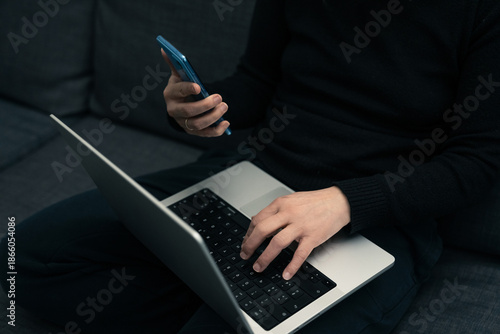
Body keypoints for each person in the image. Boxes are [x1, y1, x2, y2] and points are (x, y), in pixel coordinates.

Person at [2, 0, 500, 333]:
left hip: (375, 222)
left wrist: (346, 202)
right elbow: (257, 82)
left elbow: (479, 161)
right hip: (250, 169)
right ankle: (216, 295)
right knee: (21, 259)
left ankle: (221, 299)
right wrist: (201, 108)